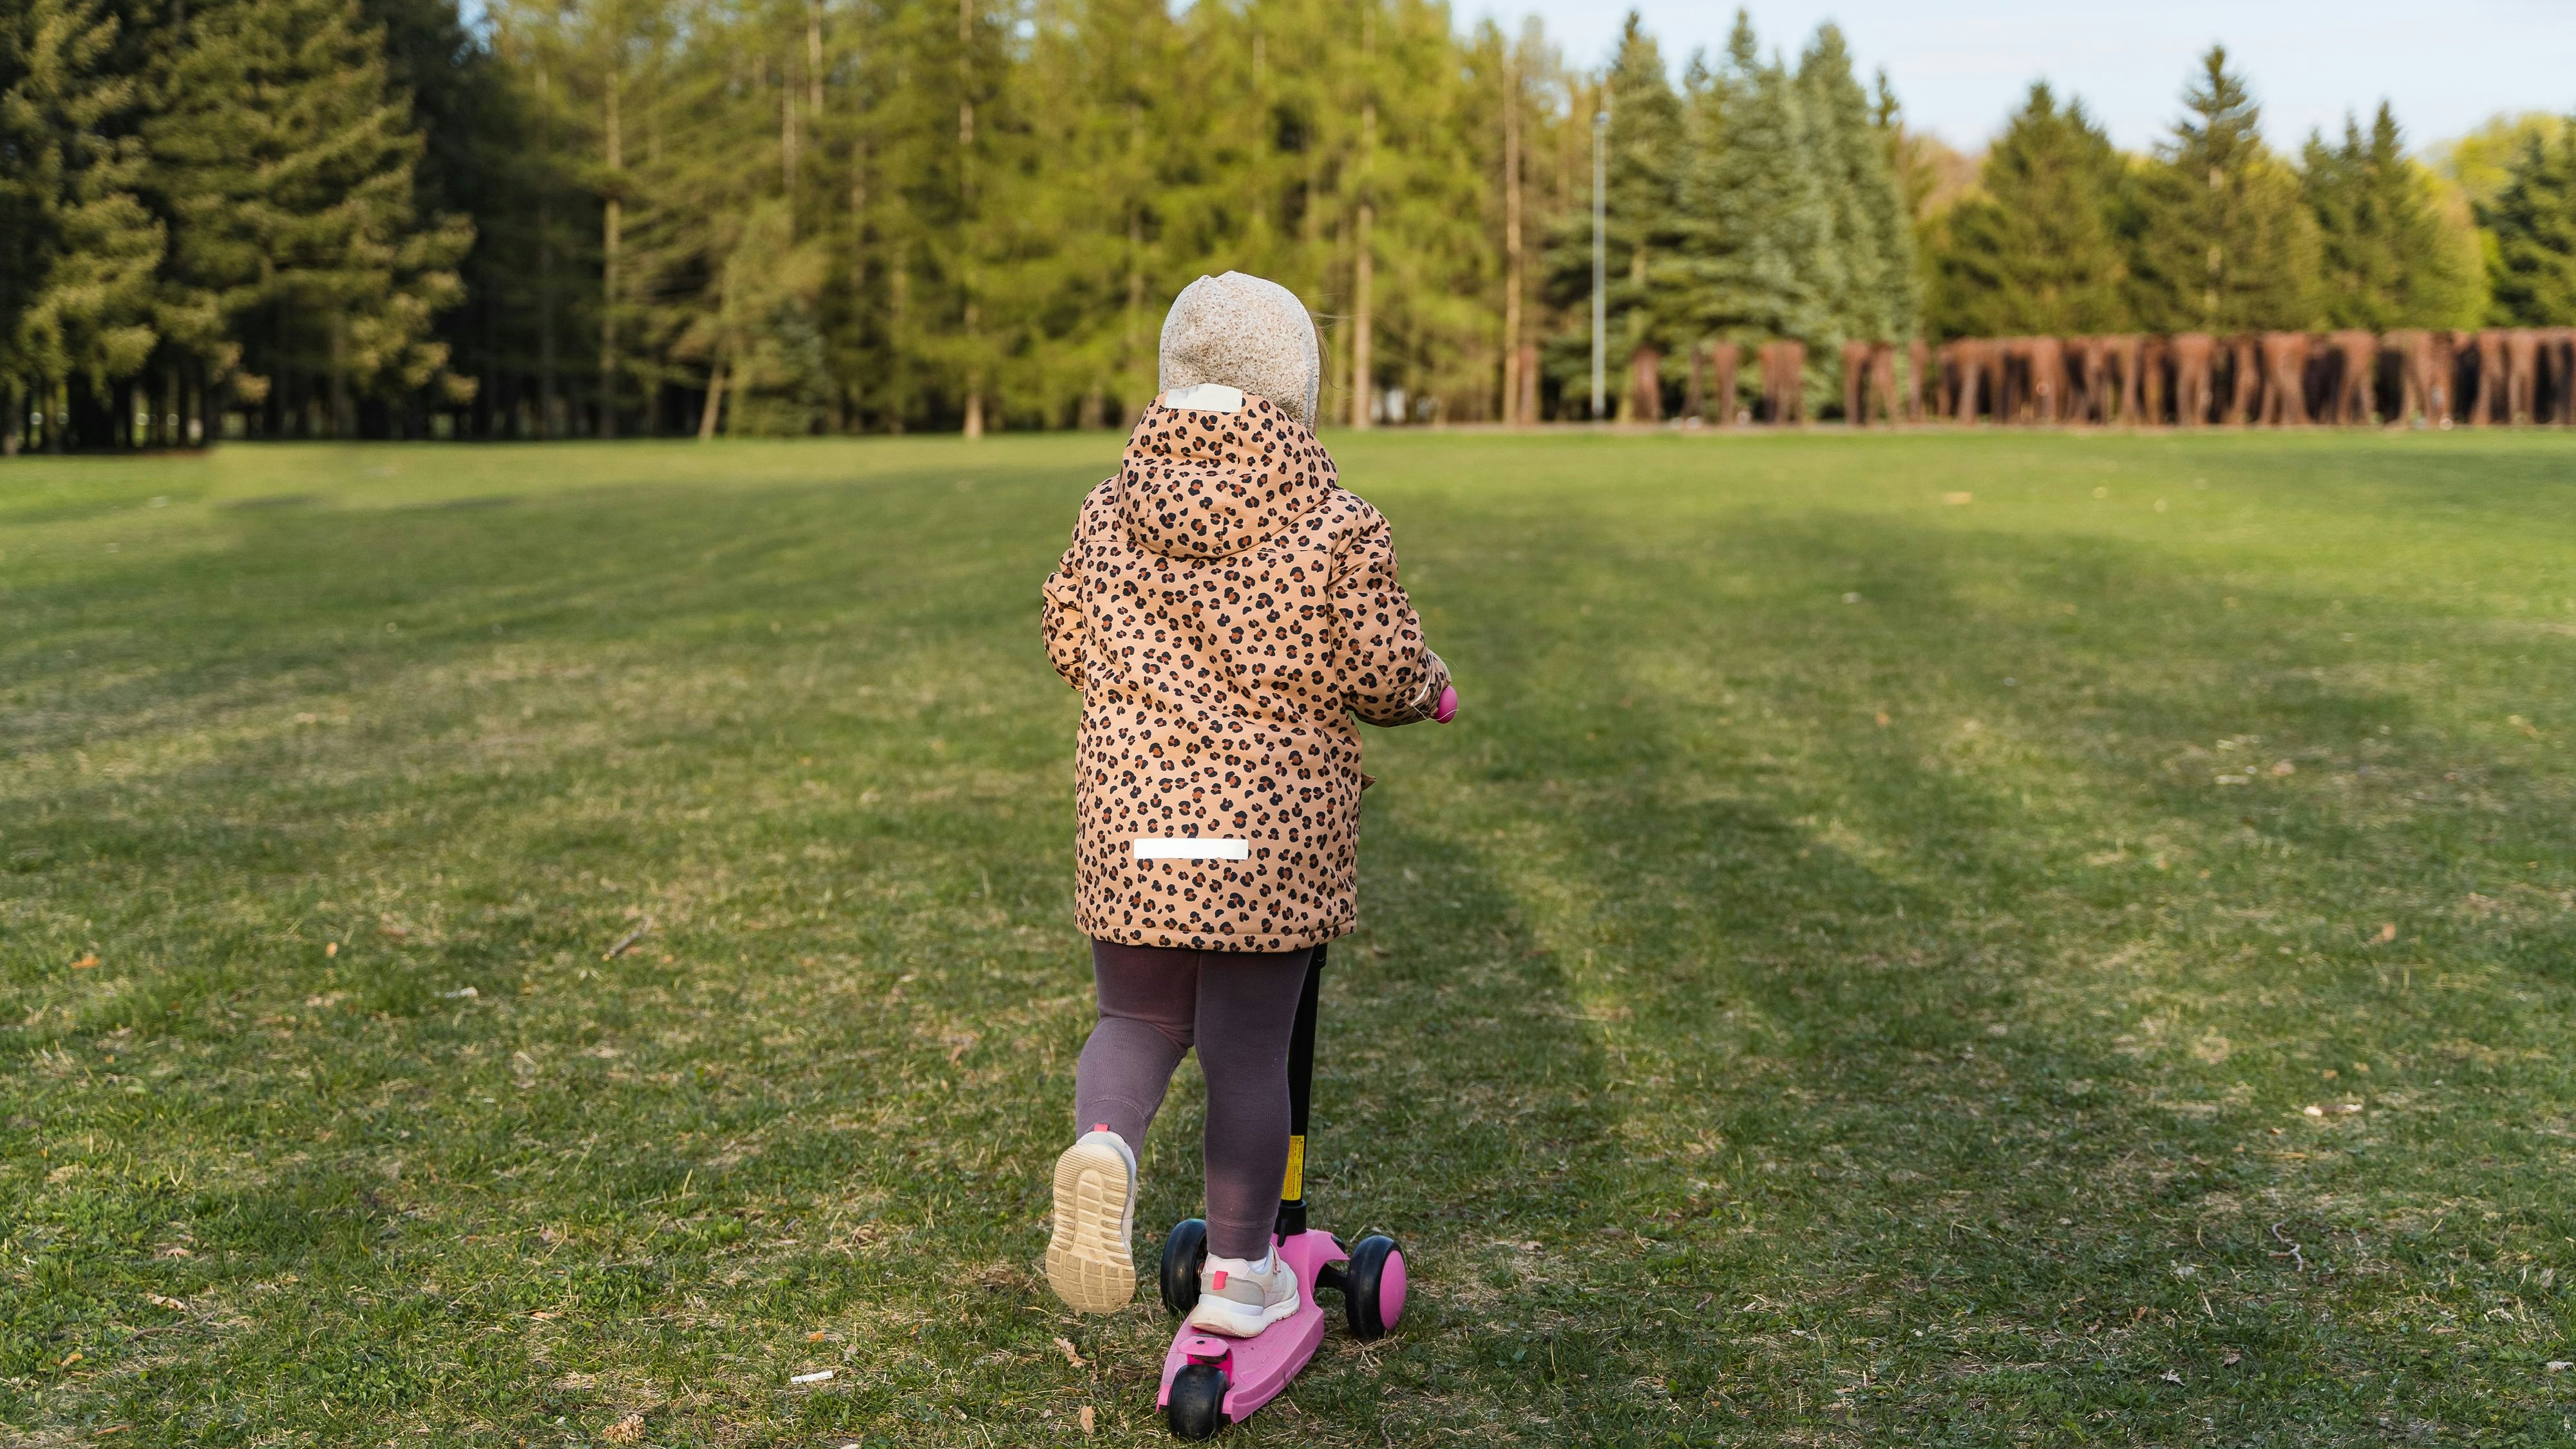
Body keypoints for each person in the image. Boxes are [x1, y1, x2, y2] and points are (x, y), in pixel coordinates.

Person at [1037, 272, 1453, 1339]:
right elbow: (1380, 664)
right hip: (1265, 836)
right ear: (1297, 394)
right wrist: (1430, 688)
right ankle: (1240, 1272)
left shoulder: (1110, 508)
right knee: (1246, 1055)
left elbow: (1068, 639)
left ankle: (1107, 1145)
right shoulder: (1332, 521)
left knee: (1135, 1018)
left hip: (1132, 824)